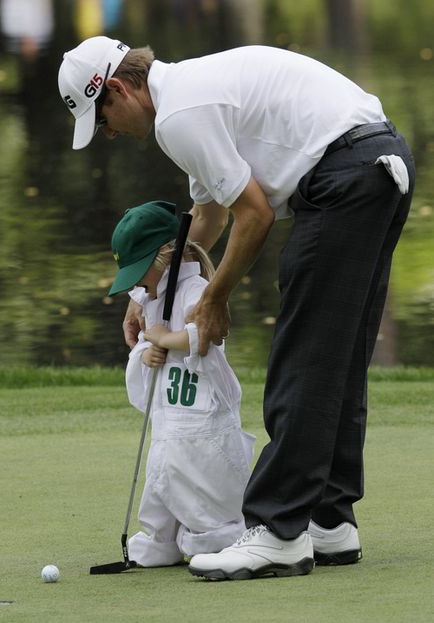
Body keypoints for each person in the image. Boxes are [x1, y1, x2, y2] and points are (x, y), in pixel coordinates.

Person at [58, 37, 415, 580]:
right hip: (378, 165)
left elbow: (254, 216)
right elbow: (208, 217)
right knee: (336, 359)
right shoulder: (184, 93)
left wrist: (215, 299)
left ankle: (278, 532)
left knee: (304, 360)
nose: (108, 133)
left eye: (102, 119)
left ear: (117, 89)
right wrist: (144, 296)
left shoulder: (178, 115)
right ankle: (328, 519)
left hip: (345, 178)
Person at [108, 199, 255, 567]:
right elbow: (146, 340)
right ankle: (162, 540)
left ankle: (216, 539)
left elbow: (201, 336)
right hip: (168, 421)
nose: (137, 283)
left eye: (141, 270)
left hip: (201, 422)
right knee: (163, 478)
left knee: (200, 486)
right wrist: (146, 352)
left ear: (165, 258)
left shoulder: (198, 290)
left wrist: (162, 339)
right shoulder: (148, 297)